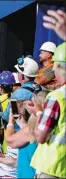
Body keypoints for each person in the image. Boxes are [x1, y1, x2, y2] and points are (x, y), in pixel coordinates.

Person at [25, 42, 66, 178]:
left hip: (51, 167)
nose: (53, 71)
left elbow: (41, 137)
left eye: (55, 67)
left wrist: (38, 113)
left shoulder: (56, 97)